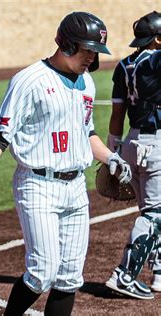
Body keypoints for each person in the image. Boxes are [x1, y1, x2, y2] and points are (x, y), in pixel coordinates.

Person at [0, 12, 132, 315]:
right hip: (38, 184)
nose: (91, 57)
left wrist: (112, 157)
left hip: (76, 187)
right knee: (41, 273)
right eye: (86, 49)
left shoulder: (86, 84)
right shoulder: (29, 81)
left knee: (68, 278)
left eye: (95, 51)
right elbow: (0, 135)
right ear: (65, 44)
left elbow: (85, 133)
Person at [105, 11, 161, 299]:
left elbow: (117, 114)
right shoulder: (156, 61)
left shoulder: (124, 65)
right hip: (156, 146)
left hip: (132, 143)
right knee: (156, 213)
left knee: (152, 211)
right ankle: (124, 275)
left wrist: (113, 152)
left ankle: (159, 270)